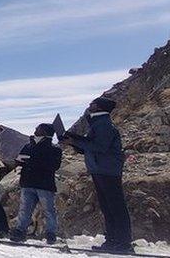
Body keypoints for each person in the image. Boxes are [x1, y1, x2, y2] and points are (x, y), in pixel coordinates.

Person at [63, 97, 132, 253]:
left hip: (106, 169)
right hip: (101, 168)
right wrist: (73, 141)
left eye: (92, 104)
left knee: (115, 206)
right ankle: (114, 240)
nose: (89, 106)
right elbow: (90, 146)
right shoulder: (98, 123)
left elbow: (99, 146)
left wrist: (76, 141)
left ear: (99, 107)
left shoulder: (104, 125)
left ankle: (123, 242)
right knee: (108, 206)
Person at [9, 123, 62, 245]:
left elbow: (54, 166)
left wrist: (30, 161)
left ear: (45, 132)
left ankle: (51, 234)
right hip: (29, 182)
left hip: (43, 184)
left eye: (38, 129)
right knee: (25, 209)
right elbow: (20, 159)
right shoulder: (29, 146)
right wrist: (19, 162)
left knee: (48, 210)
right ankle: (20, 232)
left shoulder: (54, 149)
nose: (35, 130)